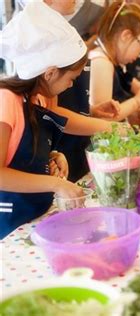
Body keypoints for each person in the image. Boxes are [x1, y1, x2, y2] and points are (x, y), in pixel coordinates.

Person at [0, 1, 120, 238]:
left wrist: (52, 156)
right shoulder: (6, 101)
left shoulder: (40, 99)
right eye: (71, 77)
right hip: (9, 226)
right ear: (50, 72)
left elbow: (24, 153)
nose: (72, 84)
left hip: (36, 217)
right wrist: (56, 184)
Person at [89, 1, 140, 122]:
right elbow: (102, 119)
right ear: (126, 36)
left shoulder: (115, 63)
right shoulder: (102, 63)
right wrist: (138, 101)